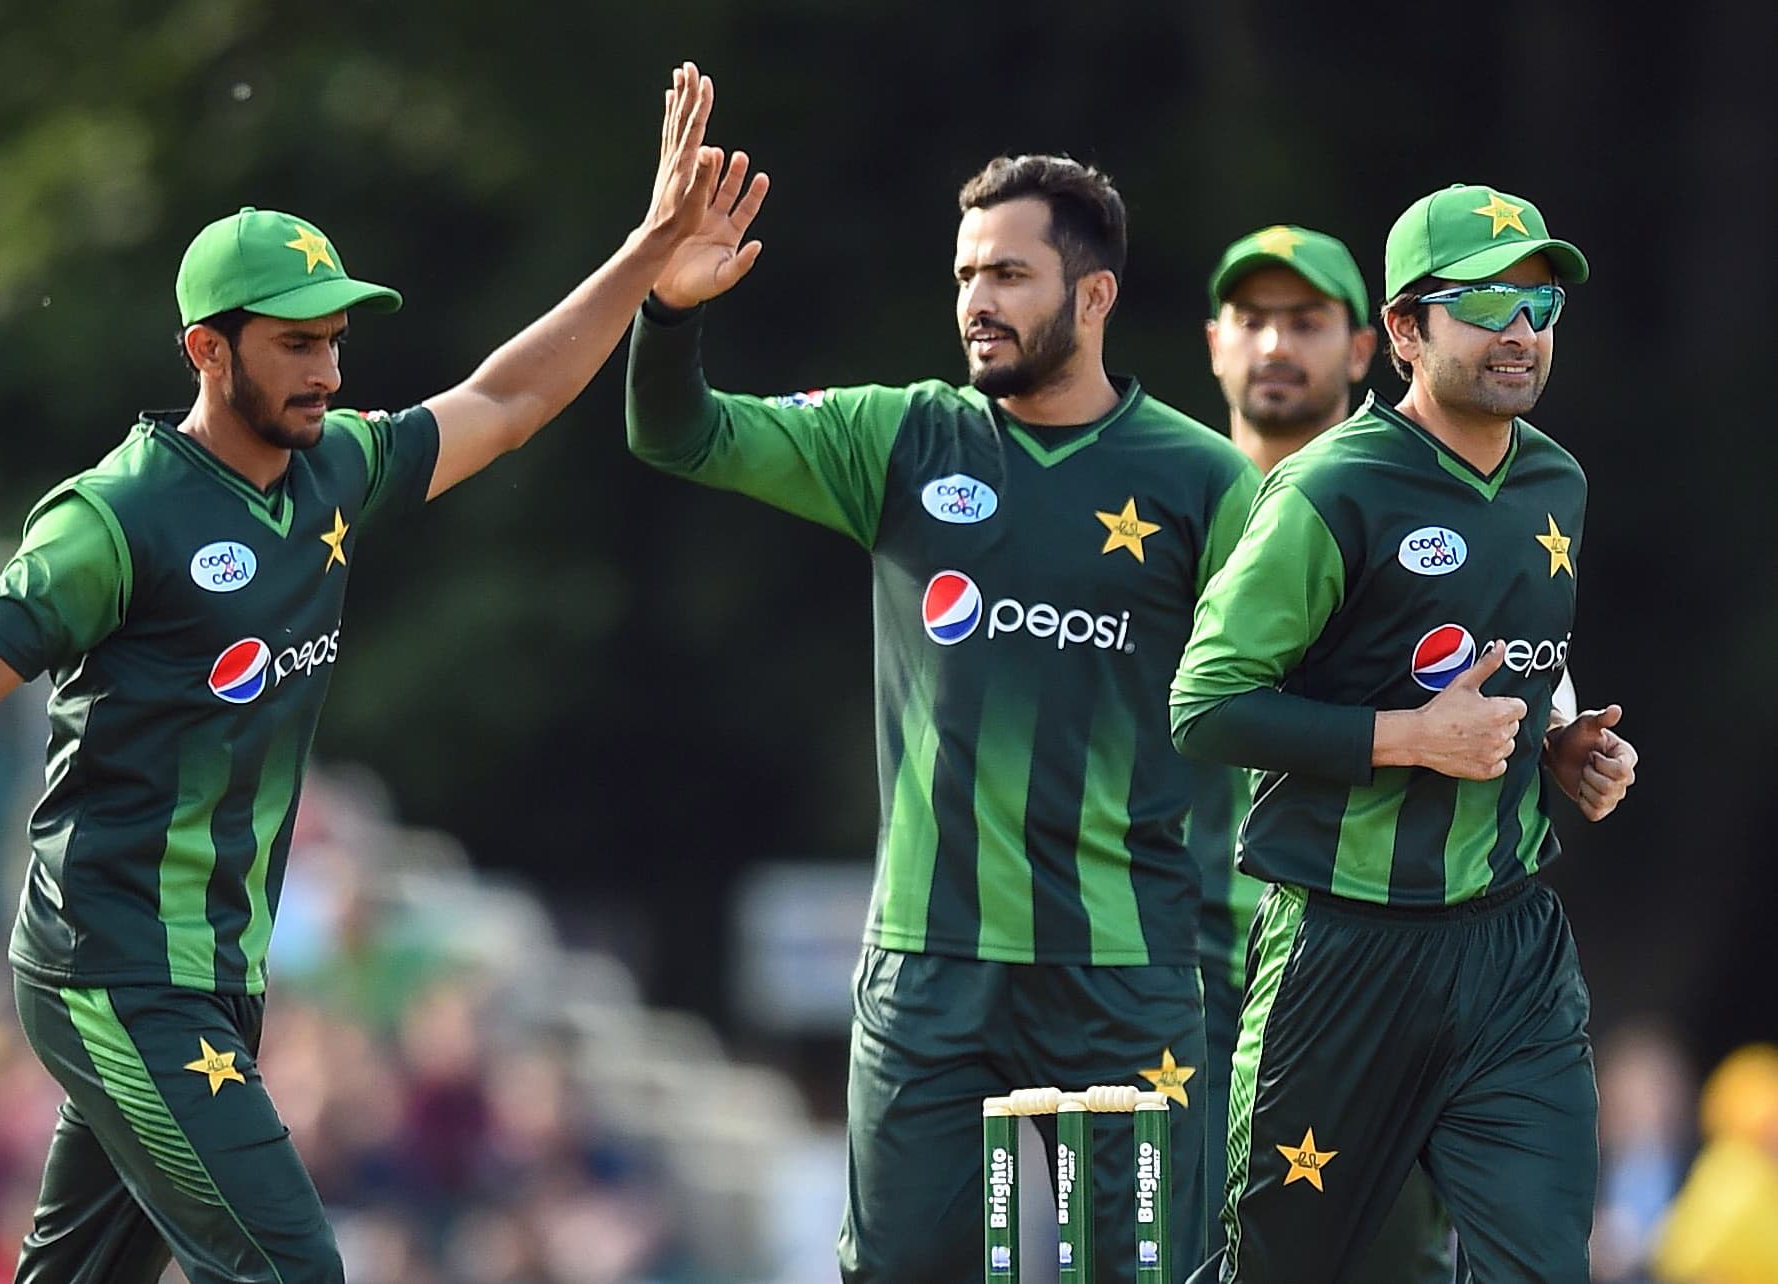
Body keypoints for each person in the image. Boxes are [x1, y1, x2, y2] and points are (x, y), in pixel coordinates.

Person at [0, 62, 739, 1284]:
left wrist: (648, 253)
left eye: (334, 341)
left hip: (214, 979)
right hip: (112, 967)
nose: (328, 372)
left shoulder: (333, 469)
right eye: (296, 345)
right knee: (296, 1271)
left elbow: (506, 398)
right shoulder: (113, 521)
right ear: (206, 351)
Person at [627, 151, 1258, 1283]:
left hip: (1120, 973)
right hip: (930, 970)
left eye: (1009, 274)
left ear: (1094, 293)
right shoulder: (904, 437)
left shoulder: (1203, 482)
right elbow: (680, 434)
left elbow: (1309, 668)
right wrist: (670, 313)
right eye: (966, 275)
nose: (976, 303)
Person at [1172, 184, 1640, 1283]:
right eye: (1483, 300)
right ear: (1402, 330)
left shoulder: (1553, 480)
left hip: (1512, 952)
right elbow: (1204, 705)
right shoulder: (1331, 491)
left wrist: (1560, 749)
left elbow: (1514, 658)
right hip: (1345, 953)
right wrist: (1412, 741)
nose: (1519, 330)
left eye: (1539, 304)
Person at [1195, 223, 1454, 1282]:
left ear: (1363, 348)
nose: (1274, 346)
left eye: (1305, 323)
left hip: (1360, 967)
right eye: (1252, 321)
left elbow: (1524, 706)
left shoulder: (1430, 508)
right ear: (1214, 342)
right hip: (1162, 969)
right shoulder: (1155, 503)